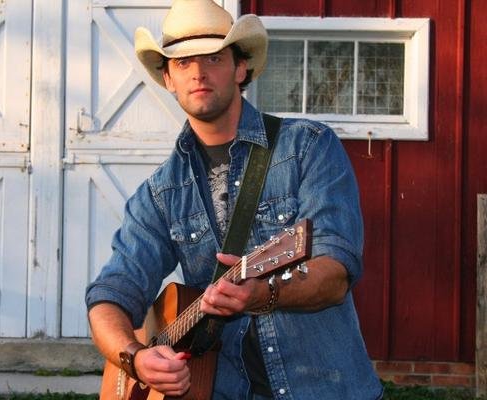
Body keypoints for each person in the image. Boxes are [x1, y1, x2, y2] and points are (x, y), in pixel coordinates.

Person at [85, 0, 383, 398]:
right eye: (182, 62)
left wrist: (266, 294)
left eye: (213, 57)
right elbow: (111, 294)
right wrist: (135, 358)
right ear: (168, 78)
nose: (198, 73)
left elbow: (335, 272)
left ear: (240, 68)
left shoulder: (307, 148)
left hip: (323, 388)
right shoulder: (160, 194)